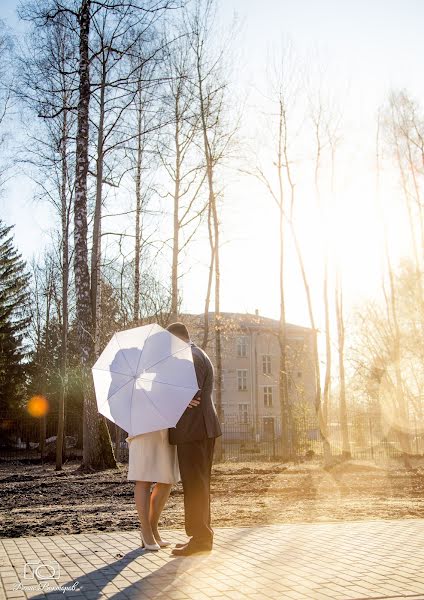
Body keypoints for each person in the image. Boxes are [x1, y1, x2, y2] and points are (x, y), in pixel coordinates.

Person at [166, 322, 222, 556]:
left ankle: (201, 539)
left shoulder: (191, 356)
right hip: (197, 430)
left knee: (196, 485)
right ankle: (200, 536)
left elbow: (193, 394)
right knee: (196, 484)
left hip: (195, 431)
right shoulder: (195, 354)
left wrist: (176, 395)